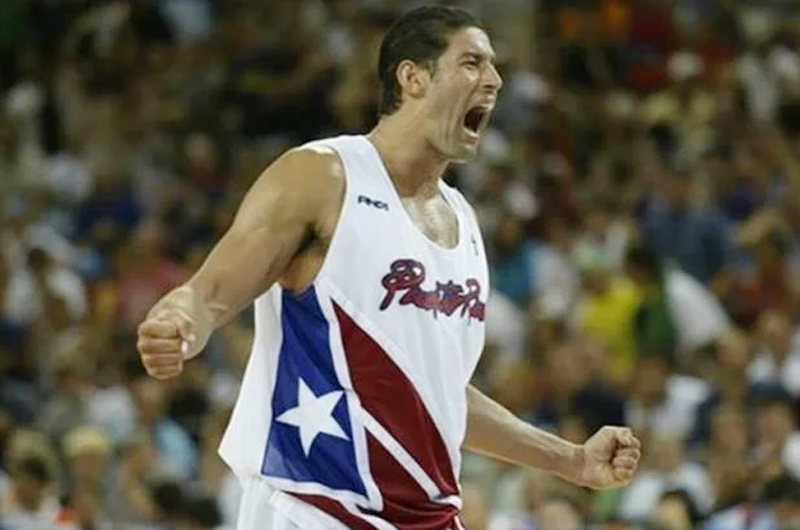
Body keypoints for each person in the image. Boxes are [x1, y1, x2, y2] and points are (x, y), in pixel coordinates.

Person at [136, 6, 642, 529]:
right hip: (314, 506)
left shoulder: (464, 221)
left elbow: (438, 396)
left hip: (428, 515)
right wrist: (182, 323)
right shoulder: (323, 175)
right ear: (413, 77)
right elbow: (211, 291)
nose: (493, 81)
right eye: (472, 63)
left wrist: (571, 460)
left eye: (494, 68)